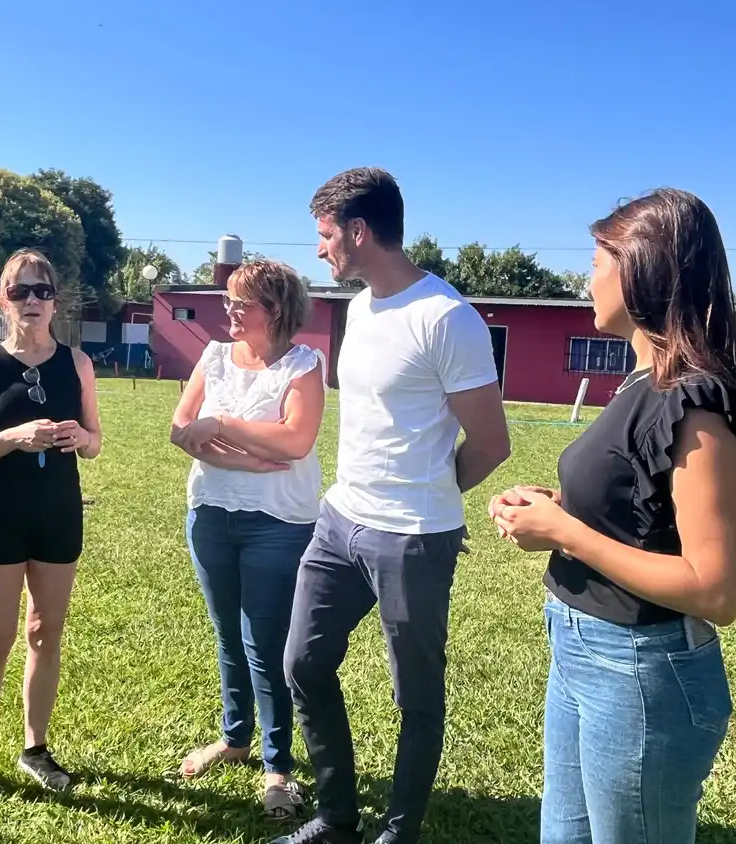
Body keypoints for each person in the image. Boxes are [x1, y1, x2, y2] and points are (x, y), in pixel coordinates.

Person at [489, 188, 736, 844]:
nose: (585, 278)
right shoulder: (638, 384)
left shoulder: (695, 405)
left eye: (597, 260)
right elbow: (643, 511)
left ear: (641, 269)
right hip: (584, 653)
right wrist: (560, 507)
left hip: (640, 672)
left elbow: (717, 590)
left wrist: (564, 532)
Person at [277, 168, 513, 844]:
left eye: (325, 236)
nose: (320, 250)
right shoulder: (358, 308)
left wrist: (430, 498)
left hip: (412, 536)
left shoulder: (446, 318)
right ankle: (336, 817)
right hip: (339, 521)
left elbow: (491, 442)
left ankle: (398, 833)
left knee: (415, 698)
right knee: (304, 663)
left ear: (358, 231)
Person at [168, 260, 327, 824]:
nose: (229, 312)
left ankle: (278, 767)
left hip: (278, 523)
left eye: (242, 303)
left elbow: (297, 440)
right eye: (228, 301)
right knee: (227, 636)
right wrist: (227, 451)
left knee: (266, 643)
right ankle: (235, 739)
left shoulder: (306, 365)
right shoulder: (213, 357)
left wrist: (221, 427)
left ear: (276, 310)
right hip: (210, 514)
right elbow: (179, 428)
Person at [0, 248, 102, 806]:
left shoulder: (78, 364)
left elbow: (96, 442)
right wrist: (12, 437)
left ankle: (35, 748)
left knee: (45, 634)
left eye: (42, 290)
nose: (32, 301)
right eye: (20, 291)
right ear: (2, 300)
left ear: (55, 299)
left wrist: (81, 440)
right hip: (0, 519)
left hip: (58, 516)